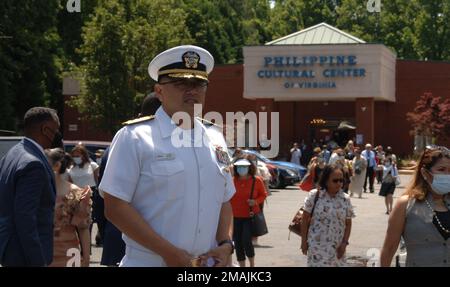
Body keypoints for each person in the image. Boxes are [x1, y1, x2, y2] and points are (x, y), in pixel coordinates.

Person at [99, 45, 235, 267]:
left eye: (198, 84)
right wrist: (168, 253)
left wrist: (226, 244)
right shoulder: (134, 137)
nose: (192, 91)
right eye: (181, 83)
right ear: (159, 91)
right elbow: (115, 207)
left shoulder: (215, 137)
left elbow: (224, 200)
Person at [100, 91, 161, 267]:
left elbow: (100, 197)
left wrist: (102, 229)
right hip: (130, 236)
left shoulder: (112, 149)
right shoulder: (130, 139)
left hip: (118, 232)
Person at [0, 107, 62, 266]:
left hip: (10, 249)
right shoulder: (33, 164)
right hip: (24, 256)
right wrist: (38, 261)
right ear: (45, 129)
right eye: (56, 130)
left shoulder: (13, 153)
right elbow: (25, 218)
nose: (57, 136)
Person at [380, 146, 450, 267]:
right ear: (424, 173)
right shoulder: (405, 205)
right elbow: (389, 248)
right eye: (442, 169)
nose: (447, 175)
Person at [301, 164, 355, 267]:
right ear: (326, 181)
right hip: (317, 247)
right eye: (335, 180)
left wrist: (344, 244)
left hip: (337, 248)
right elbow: (304, 219)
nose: (339, 183)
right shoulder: (314, 195)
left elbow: (348, 224)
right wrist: (304, 242)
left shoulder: (345, 199)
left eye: (341, 180)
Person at [46, 148, 91, 267]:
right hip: (42, 255)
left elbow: (83, 228)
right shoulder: (36, 192)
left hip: (70, 255)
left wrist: (86, 260)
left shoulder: (75, 192)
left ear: (56, 166)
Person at [230, 159, 267, 267]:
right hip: (235, 217)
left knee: (246, 240)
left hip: (250, 216)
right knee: (237, 242)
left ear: (249, 167)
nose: (242, 169)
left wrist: (255, 201)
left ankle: (252, 264)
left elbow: (263, 195)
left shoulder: (257, 180)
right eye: (239, 167)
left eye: (244, 167)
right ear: (236, 168)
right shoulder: (232, 180)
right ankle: (242, 265)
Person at [68, 144, 103, 246]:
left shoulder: (92, 166)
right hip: (76, 194)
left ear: (83, 155)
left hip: (90, 193)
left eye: (78, 155)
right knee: (77, 221)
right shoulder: (71, 168)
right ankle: (79, 243)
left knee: (89, 221)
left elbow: (98, 181)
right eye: (74, 156)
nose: (76, 158)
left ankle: (87, 246)